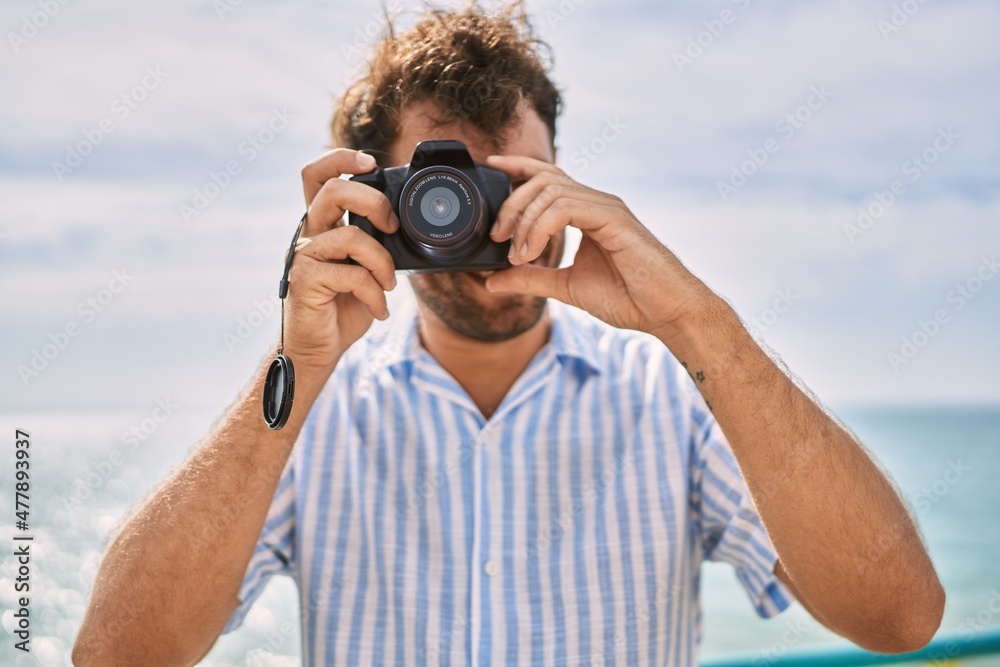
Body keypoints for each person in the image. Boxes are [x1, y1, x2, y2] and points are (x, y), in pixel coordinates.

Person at [73, 4, 944, 666]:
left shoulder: (668, 401)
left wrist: (696, 323)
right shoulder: (311, 418)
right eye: (438, 196)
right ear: (373, 208)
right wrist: (296, 368)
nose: (478, 229)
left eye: (508, 188)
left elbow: (897, 617)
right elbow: (117, 654)